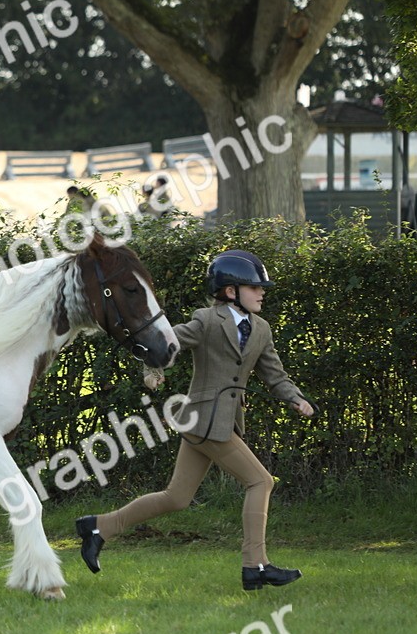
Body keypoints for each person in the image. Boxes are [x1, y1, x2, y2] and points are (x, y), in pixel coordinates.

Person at [75, 250, 316, 591]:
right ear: (230, 291)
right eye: (255, 287)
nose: (262, 292)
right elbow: (165, 341)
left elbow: (274, 374)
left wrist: (295, 398)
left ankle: (98, 527)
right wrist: (153, 369)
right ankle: (255, 565)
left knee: (177, 498)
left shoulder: (261, 329)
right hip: (204, 418)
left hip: (222, 422)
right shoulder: (207, 320)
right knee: (261, 482)